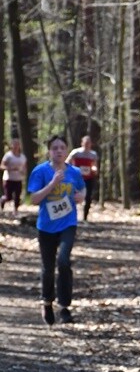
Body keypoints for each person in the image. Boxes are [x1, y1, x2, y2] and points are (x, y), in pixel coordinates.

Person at [27, 135, 86, 325]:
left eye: (62, 147)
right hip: (46, 227)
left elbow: (82, 190)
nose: (59, 151)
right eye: (55, 148)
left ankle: (65, 307)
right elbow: (34, 199)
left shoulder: (75, 172)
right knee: (48, 268)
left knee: (63, 261)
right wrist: (52, 183)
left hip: (68, 224)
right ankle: (46, 302)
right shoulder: (40, 171)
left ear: (67, 150)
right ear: (49, 151)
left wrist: (80, 197)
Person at [66, 135, 98, 222]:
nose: (87, 145)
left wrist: (94, 169)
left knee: (88, 197)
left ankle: (85, 217)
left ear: (91, 144)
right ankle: (70, 215)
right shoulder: (76, 152)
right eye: (85, 143)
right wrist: (71, 170)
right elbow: (67, 162)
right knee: (72, 195)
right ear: (82, 143)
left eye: (89, 143)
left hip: (88, 178)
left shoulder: (93, 154)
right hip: (76, 178)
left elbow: (94, 165)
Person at [1, 138, 27, 214]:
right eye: (14, 144)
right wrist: (9, 168)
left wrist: (23, 172)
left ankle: (16, 210)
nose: (16, 146)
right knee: (8, 197)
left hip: (18, 179)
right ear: (11, 146)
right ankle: (2, 200)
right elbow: (2, 166)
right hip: (8, 179)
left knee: (17, 195)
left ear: (19, 146)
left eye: (17, 144)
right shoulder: (8, 155)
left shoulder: (23, 157)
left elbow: (25, 168)